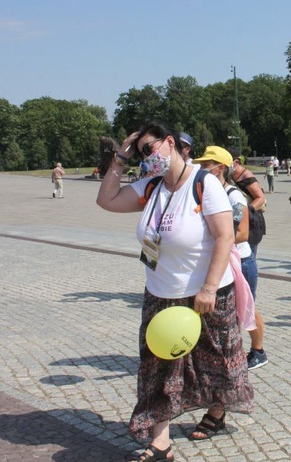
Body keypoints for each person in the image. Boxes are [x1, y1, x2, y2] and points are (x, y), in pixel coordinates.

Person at [95, 121, 253, 460]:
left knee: (217, 361)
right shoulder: (151, 187)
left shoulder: (203, 183)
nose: (147, 158)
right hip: (161, 293)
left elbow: (226, 237)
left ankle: (216, 410)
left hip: (207, 292)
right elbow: (106, 200)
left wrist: (209, 289)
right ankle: (161, 440)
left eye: (150, 149)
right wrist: (120, 159)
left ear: (170, 142)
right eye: (141, 154)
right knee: (158, 366)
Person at [193, 146, 269, 370]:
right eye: (201, 165)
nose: (202, 169)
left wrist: (215, 240)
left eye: (207, 165)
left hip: (241, 262)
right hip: (220, 259)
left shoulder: (233, 195)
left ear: (221, 168)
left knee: (246, 307)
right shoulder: (205, 192)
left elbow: (242, 233)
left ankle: (258, 351)